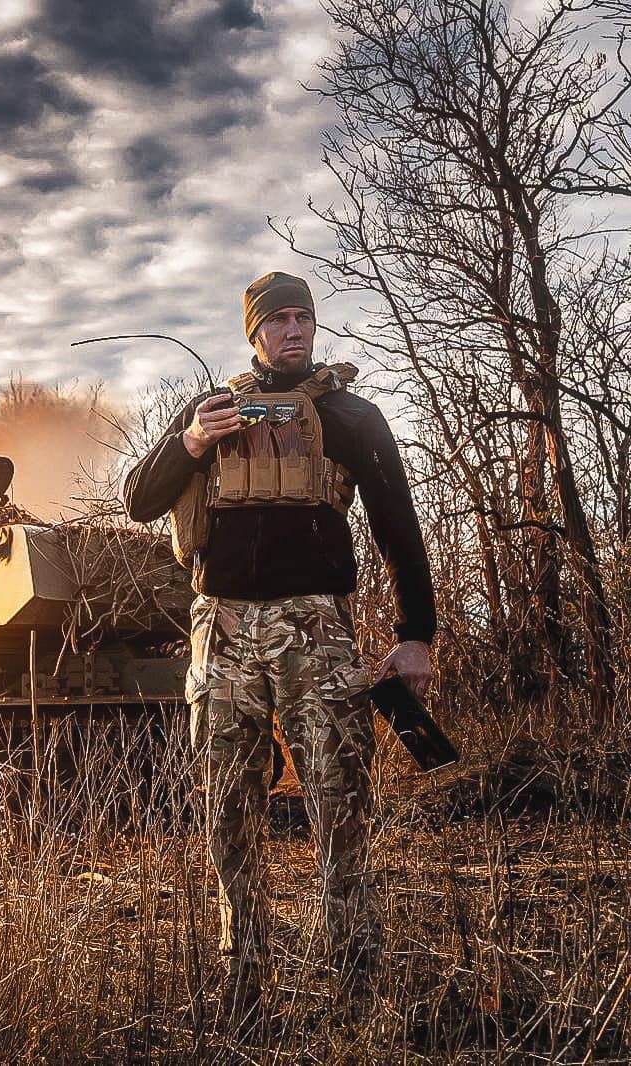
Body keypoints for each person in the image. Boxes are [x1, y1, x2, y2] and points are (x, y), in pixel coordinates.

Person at [122, 271, 435, 1023]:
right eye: (278, 320)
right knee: (227, 803)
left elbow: (398, 524)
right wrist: (194, 439)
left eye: (304, 317)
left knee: (342, 800)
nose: (294, 330)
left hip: (316, 627)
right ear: (254, 332)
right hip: (221, 629)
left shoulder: (354, 417)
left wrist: (416, 634)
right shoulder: (213, 413)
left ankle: (355, 983)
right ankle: (244, 979)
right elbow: (138, 500)